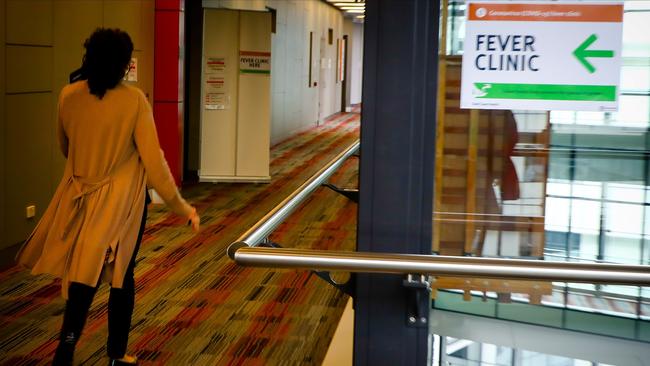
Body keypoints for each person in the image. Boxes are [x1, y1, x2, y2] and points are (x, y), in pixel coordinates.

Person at [16, 28, 200, 366]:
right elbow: (154, 163)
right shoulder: (133, 101)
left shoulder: (68, 95)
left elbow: (65, 146)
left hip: (79, 195)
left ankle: (67, 346)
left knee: (81, 270)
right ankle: (116, 353)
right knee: (121, 275)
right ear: (123, 63)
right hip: (122, 203)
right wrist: (182, 207)